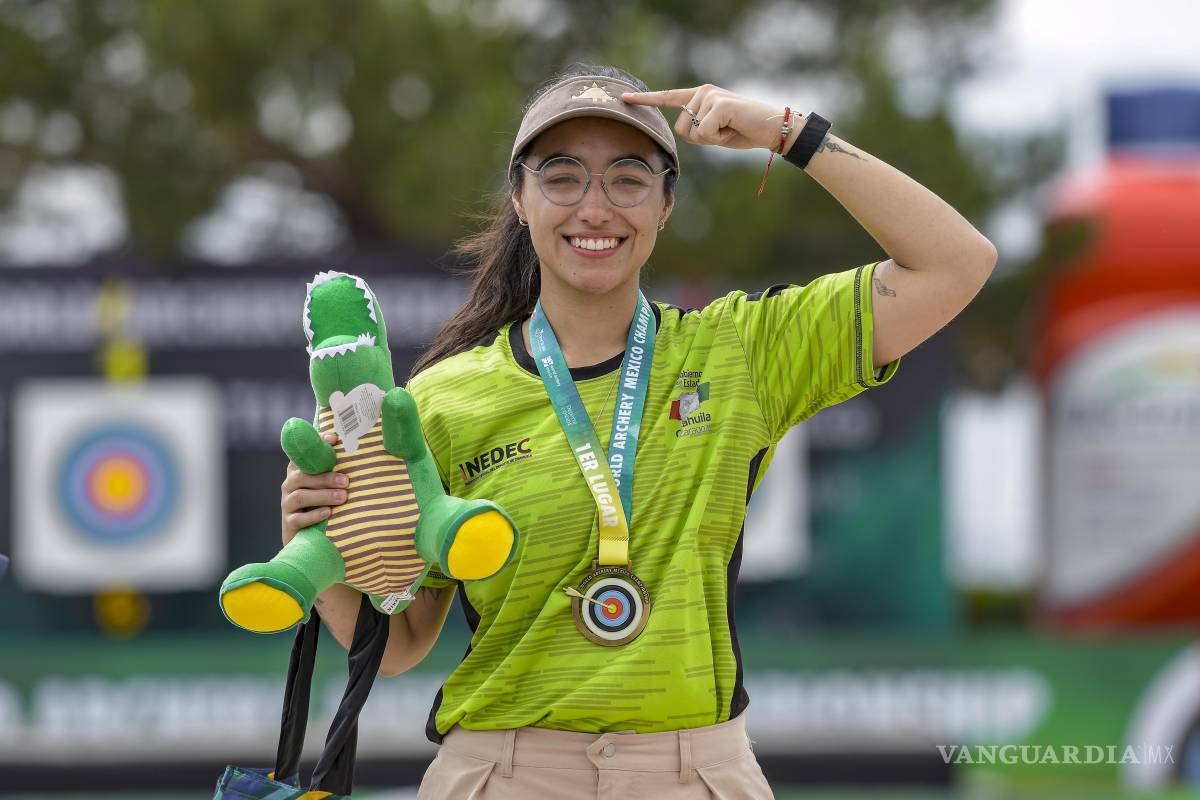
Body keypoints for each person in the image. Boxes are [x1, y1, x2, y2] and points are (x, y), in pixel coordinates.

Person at [278, 63, 997, 799]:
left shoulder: (740, 353)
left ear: (666, 203)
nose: (595, 208)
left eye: (628, 178)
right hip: (504, 774)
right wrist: (317, 543)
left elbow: (957, 263)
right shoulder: (442, 400)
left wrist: (786, 133)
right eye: (562, 177)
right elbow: (398, 645)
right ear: (520, 198)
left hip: (697, 775)